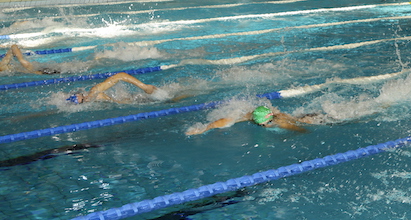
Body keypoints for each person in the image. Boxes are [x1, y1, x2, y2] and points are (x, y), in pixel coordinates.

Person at [186, 105, 324, 135]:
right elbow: (223, 121)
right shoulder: (248, 115)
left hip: (307, 120)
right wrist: (203, 129)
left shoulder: (280, 122)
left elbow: (303, 130)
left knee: (308, 120)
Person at [66, 72, 159, 104]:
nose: (86, 98)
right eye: (83, 101)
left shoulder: (95, 91)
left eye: (83, 95)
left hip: (140, 99)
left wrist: (144, 87)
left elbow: (119, 76)